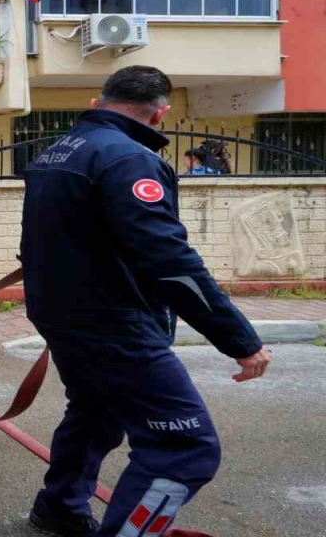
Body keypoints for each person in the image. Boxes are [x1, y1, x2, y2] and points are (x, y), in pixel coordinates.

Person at [21, 65, 271, 537]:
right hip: (114, 322)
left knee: (96, 412)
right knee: (186, 449)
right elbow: (169, 261)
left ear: (97, 103)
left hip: (63, 313)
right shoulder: (129, 159)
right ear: (160, 113)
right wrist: (239, 339)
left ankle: (59, 508)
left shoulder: (56, 152)